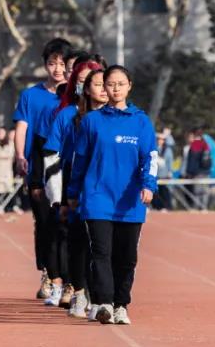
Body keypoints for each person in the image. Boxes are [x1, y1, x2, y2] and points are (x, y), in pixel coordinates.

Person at [67, 65, 156, 326]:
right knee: (100, 252)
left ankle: (121, 304)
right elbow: (80, 160)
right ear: (104, 87)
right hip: (97, 198)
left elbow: (150, 157)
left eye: (120, 84)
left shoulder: (141, 121)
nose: (115, 89)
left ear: (129, 86)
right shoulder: (92, 121)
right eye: (110, 84)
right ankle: (104, 302)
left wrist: (149, 185)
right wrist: (73, 192)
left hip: (130, 201)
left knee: (126, 258)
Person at [42, 58, 104, 311]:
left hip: (105, 188)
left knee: (102, 244)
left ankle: (101, 296)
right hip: (75, 184)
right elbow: (53, 155)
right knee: (77, 241)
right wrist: (57, 196)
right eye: (83, 81)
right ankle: (78, 289)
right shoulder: (67, 116)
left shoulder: (120, 117)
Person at [13, 37, 72, 300]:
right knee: (45, 221)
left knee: (67, 222)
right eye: (52, 63)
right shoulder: (31, 95)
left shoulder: (76, 96)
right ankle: (49, 273)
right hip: (39, 162)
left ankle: (71, 278)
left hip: (67, 162)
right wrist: (19, 155)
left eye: (62, 64)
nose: (57, 69)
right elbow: (22, 127)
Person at [0, 127, 16, 211]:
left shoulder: (10, 144)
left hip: (7, 171)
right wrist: (2, 155)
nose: (0, 134)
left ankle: (11, 206)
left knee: (8, 189)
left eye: (2, 133)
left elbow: (10, 154)